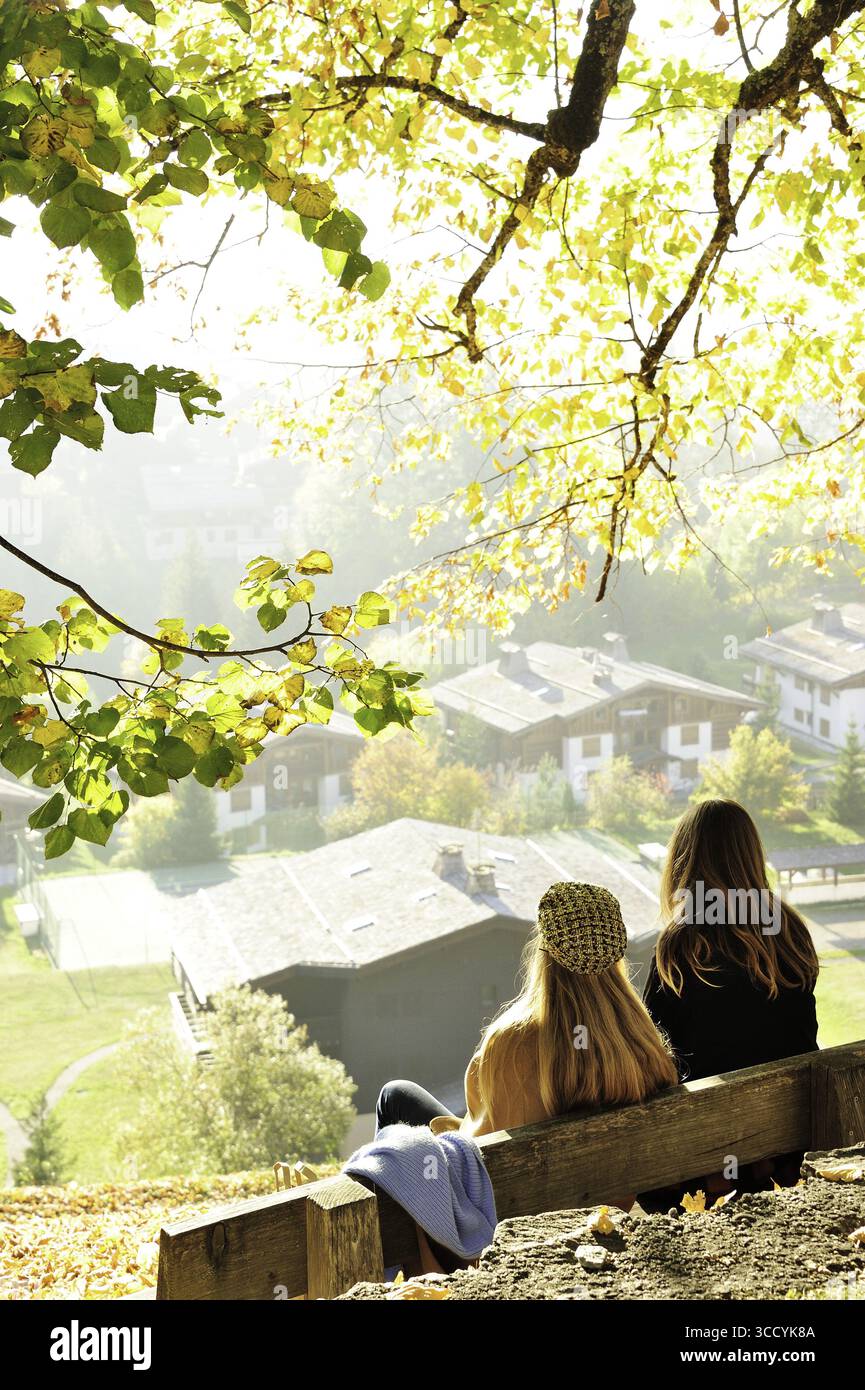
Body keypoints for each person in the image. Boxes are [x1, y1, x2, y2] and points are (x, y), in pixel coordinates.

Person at [376, 881, 679, 1198]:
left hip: (504, 1214)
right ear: (616, 953)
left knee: (395, 1097)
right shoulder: (642, 1040)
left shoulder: (512, 1041)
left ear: (543, 951)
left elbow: (484, 1149)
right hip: (605, 1207)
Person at [641, 797, 819, 1202]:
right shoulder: (790, 930)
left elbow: (655, 1054)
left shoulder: (680, 946)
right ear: (751, 856)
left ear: (684, 863)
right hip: (790, 1141)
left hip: (707, 1158)